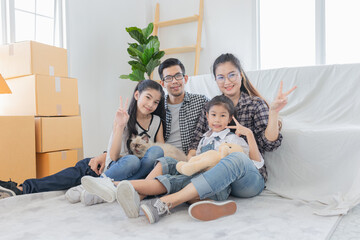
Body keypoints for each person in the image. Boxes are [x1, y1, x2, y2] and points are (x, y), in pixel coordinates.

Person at [80, 53, 296, 223]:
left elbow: (271, 144)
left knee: (235, 158)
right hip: (214, 175)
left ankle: (166, 203)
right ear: (215, 80)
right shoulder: (211, 107)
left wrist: (272, 113)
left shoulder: (254, 104)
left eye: (232, 75)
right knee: (167, 162)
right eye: (220, 77)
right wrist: (189, 163)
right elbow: (195, 144)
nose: (227, 81)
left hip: (249, 178)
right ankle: (116, 187)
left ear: (241, 75)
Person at [0, 58, 208, 203]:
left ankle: (91, 186)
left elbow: (161, 149)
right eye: (169, 78)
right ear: (162, 83)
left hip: (149, 164)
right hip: (122, 162)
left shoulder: (201, 103)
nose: (174, 81)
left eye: (178, 76)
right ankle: (20, 188)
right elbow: (119, 150)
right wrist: (112, 139)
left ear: (185, 78)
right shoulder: (149, 114)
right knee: (82, 169)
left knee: (141, 157)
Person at [0, 80, 166, 204]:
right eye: (148, 98)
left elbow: (159, 156)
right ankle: (19, 189)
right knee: (61, 180)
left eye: (156, 102)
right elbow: (114, 157)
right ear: (137, 95)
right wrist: (119, 126)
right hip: (103, 169)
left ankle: (95, 187)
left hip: (128, 176)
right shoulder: (123, 118)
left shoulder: (157, 122)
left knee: (152, 154)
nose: (151, 104)